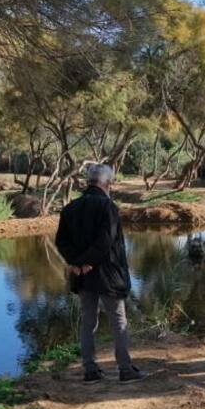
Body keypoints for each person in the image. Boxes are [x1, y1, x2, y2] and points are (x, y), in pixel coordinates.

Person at [55, 164, 145, 384]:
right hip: (108, 275)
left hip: (83, 275)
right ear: (108, 184)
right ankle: (125, 369)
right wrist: (86, 262)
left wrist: (77, 263)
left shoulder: (70, 208)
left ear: (89, 182)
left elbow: (61, 241)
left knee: (88, 321)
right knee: (118, 320)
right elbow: (105, 241)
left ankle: (90, 370)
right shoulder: (108, 207)